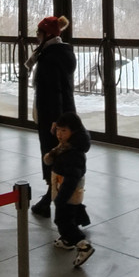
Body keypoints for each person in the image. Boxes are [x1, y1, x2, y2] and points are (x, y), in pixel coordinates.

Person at [27, 14, 75, 218]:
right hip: (62, 112)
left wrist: (56, 120)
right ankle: (53, 196)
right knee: (59, 155)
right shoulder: (61, 53)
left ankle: (51, 198)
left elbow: (54, 90)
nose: (37, 37)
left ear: (47, 34)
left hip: (52, 115)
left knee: (52, 154)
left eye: (39, 33)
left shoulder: (49, 57)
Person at [45, 111, 94, 267]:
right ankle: (67, 241)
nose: (59, 134)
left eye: (64, 130)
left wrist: (61, 198)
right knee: (69, 217)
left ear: (74, 131)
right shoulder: (66, 146)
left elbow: (72, 178)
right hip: (63, 191)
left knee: (63, 221)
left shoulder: (73, 153)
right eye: (58, 130)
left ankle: (83, 245)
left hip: (67, 193)